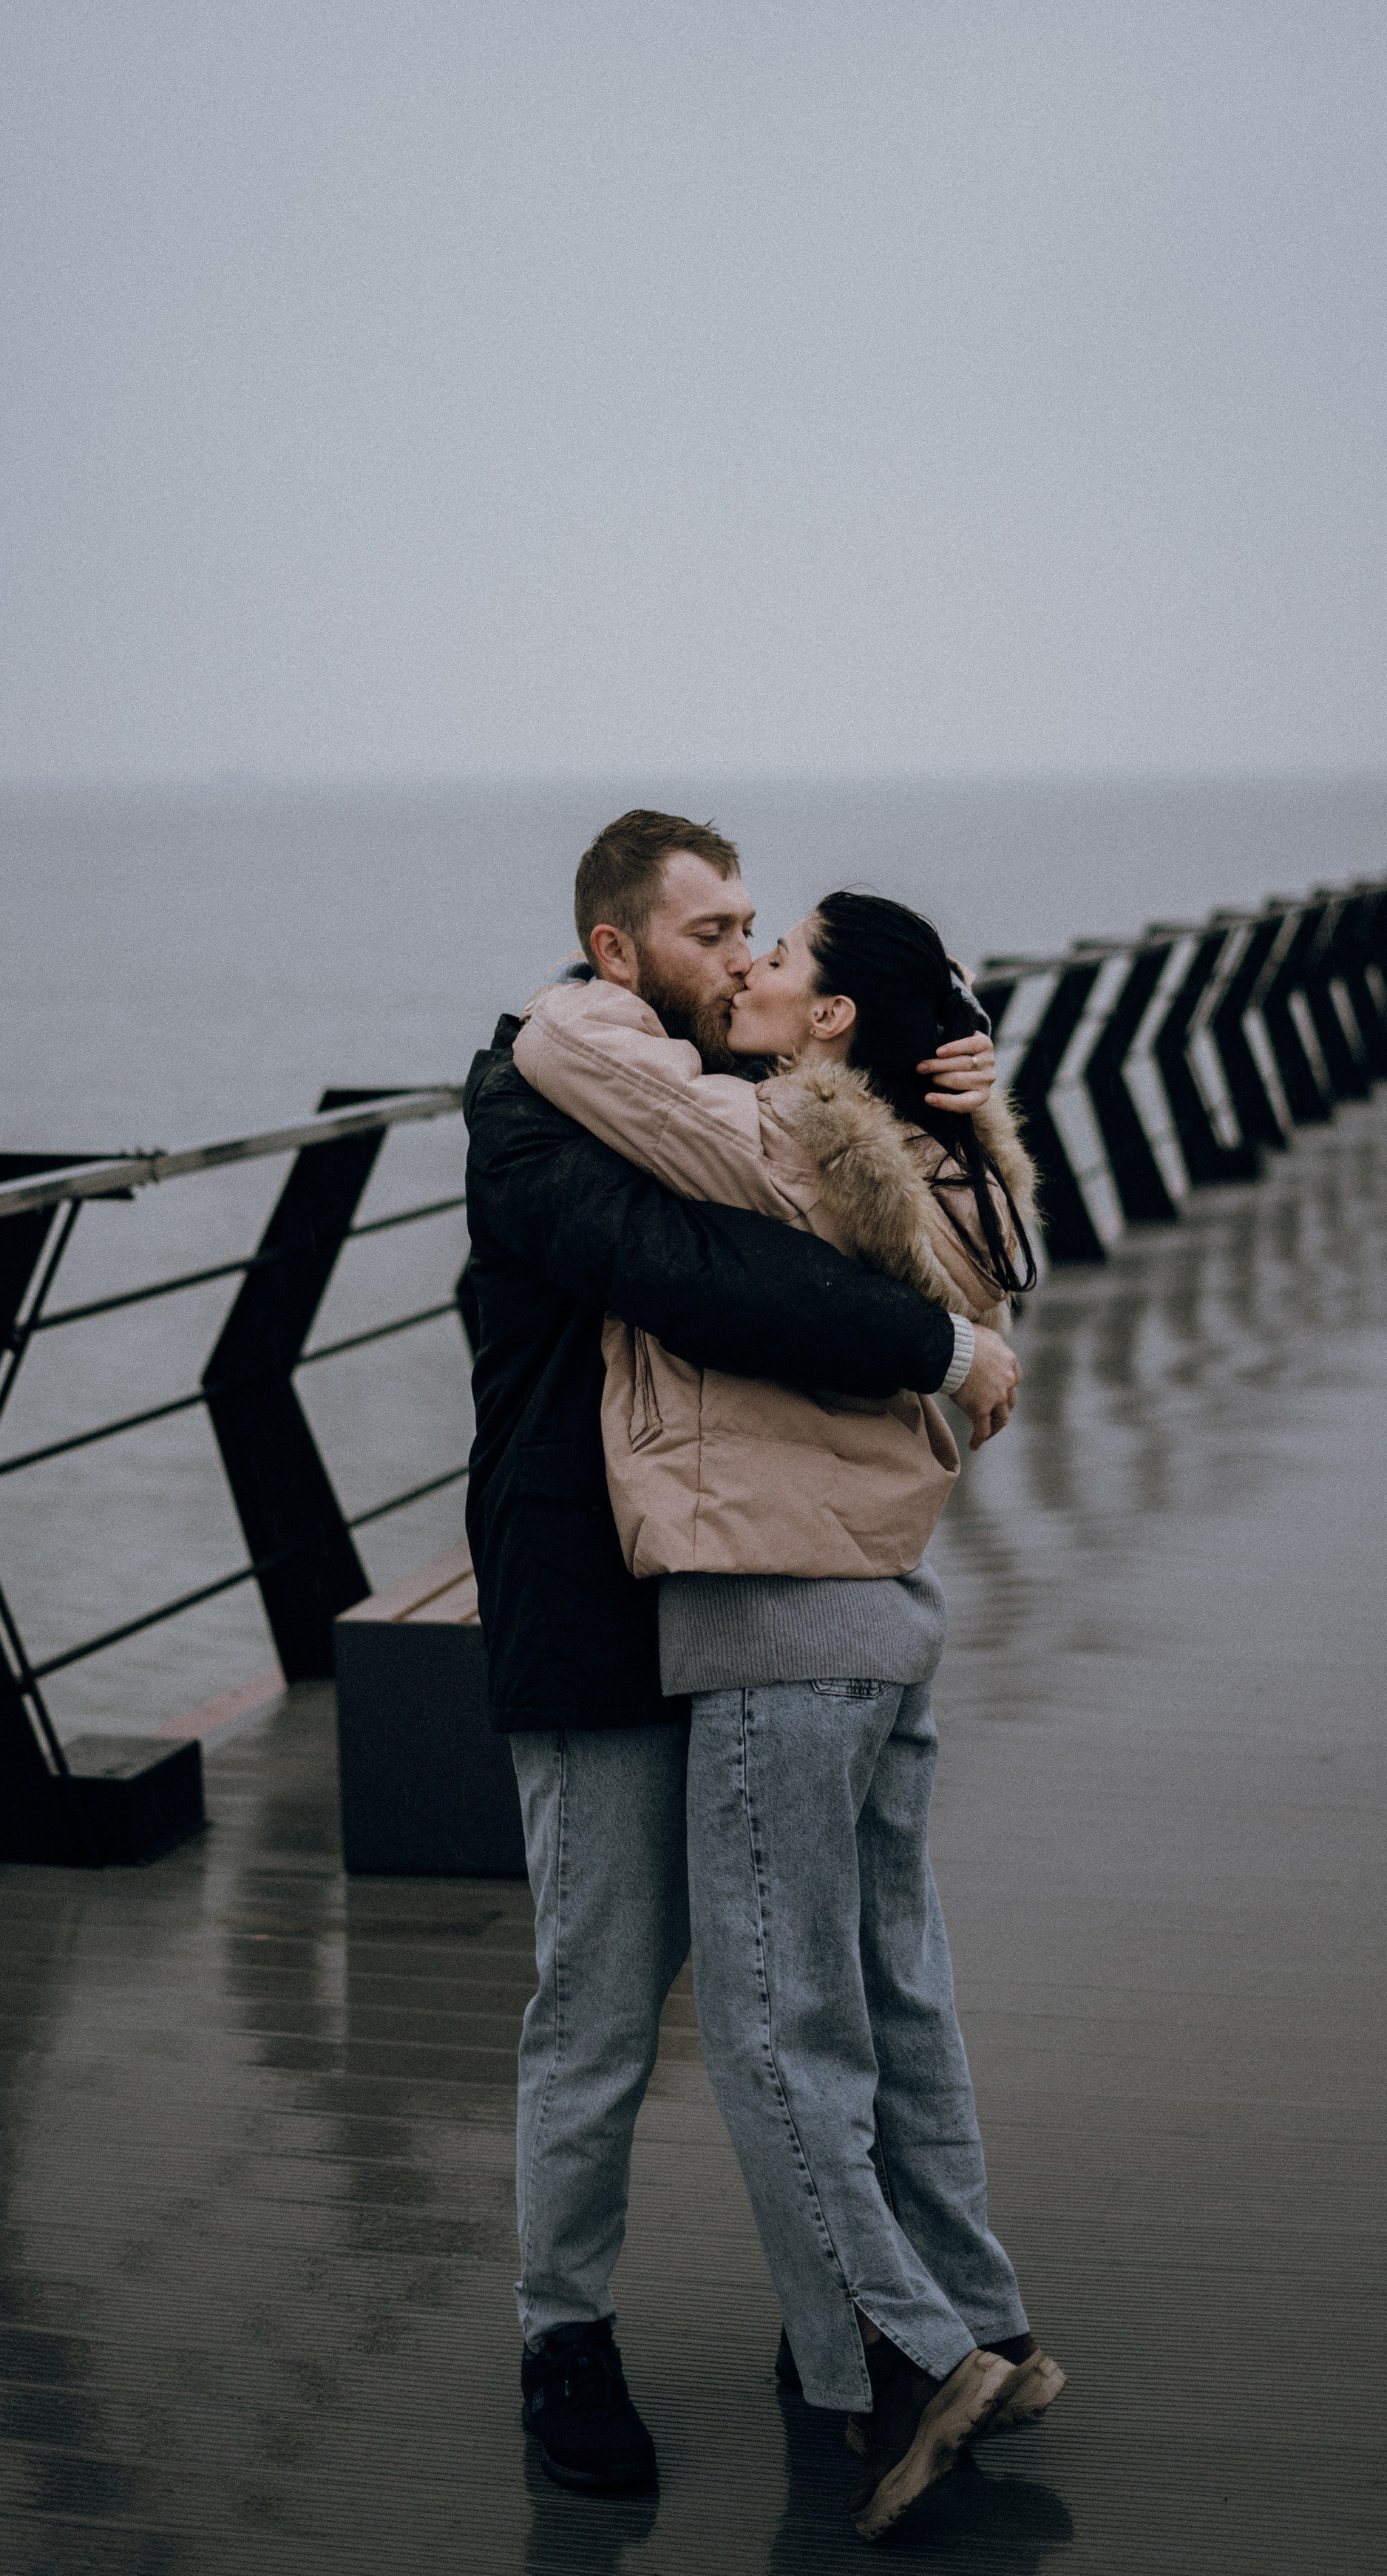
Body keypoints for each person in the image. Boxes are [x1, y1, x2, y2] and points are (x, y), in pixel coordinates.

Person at [461, 812, 1020, 2499]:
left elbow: (869, 1190)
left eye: (753, 928)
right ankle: (565, 2335)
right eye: (708, 932)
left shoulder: (724, 1097)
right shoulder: (529, 1110)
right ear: (616, 952)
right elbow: (721, 1281)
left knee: (823, 1985)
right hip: (595, 1608)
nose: (738, 954)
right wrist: (943, 1341)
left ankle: (858, 2315)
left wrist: (958, 1085)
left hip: (739, 1594)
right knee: (606, 2006)